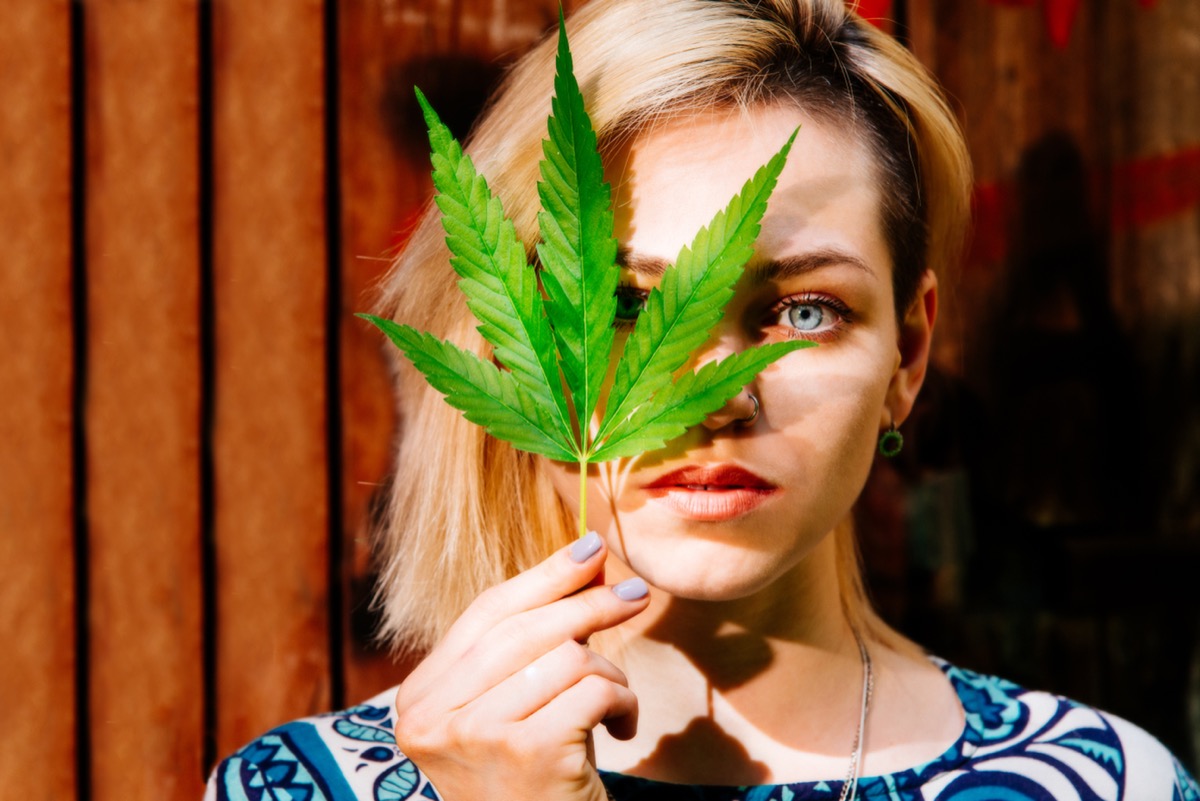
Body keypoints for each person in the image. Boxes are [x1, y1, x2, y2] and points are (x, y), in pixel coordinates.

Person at [206, 1, 1199, 798]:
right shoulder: (295, 790)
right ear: (506, 346)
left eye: (803, 310)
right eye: (632, 306)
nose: (706, 400)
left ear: (909, 352)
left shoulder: (1107, 785)